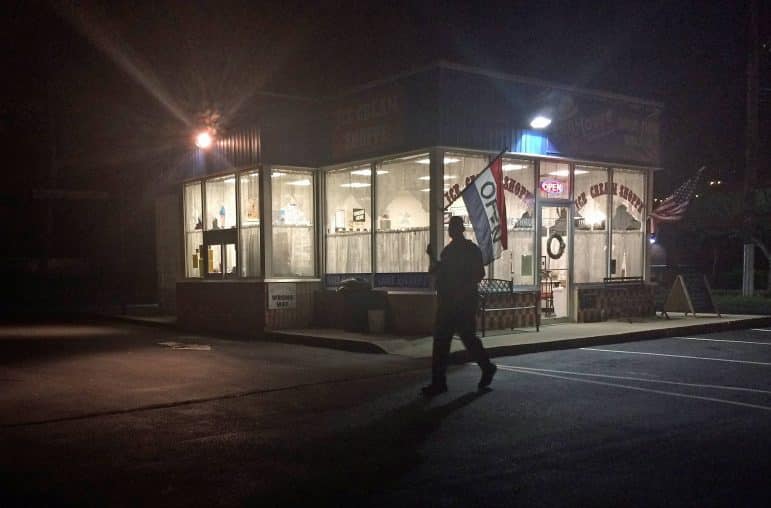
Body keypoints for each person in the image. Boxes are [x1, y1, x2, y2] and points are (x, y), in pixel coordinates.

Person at [422, 216, 497, 396]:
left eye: (451, 227)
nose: (450, 230)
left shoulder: (470, 251)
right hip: (451, 301)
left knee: (465, 339)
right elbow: (442, 271)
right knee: (443, 342)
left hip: (461, 302)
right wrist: (433, 258)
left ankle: (486, 367)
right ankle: (439, 382)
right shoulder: (450, 251)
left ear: (458, 230)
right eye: (449, 227)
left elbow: (478, 274)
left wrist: (461, 287)